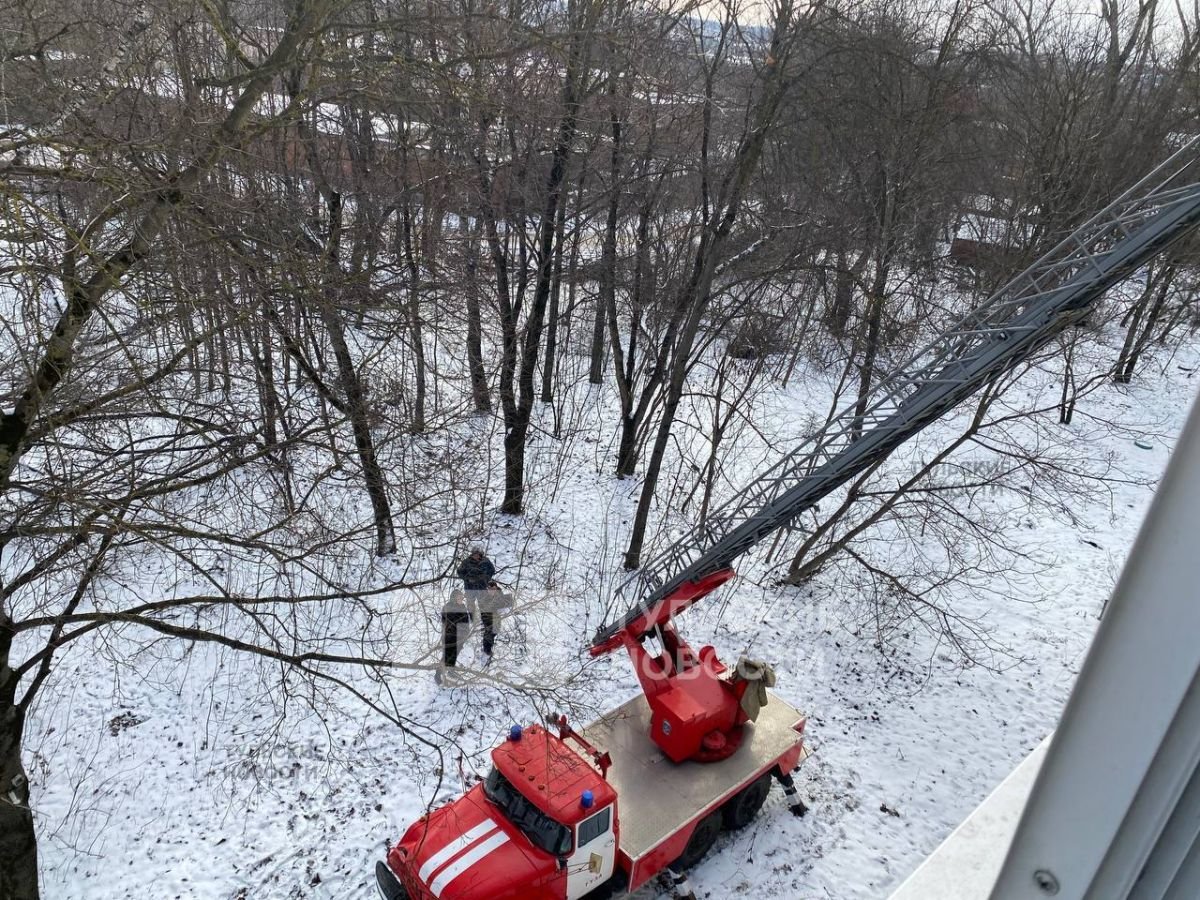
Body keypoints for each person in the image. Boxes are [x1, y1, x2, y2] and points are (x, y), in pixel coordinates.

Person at [437, 589, 471, 685]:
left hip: (461, 637)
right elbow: (447, 622)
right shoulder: (448, 607)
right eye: (459, 597)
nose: (461, 598)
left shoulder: (463, 607)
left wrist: (466, 634)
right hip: (449, 637)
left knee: (454, 655)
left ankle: (451, 671)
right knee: (446, 656)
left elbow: (466, 621)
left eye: (461, 597)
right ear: (454, 598)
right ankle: (437, 674)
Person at [476, 580, 513, 663]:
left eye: (494, 589)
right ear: (487, 589)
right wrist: (493, 604)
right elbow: (483, 607)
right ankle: (486, 651)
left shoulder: (499, 593)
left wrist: (503, 606)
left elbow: (505, 602)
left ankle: (488, 647)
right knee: (488, 631)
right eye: (490, 589)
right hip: (486, 615)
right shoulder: (483, 595)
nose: (492, 591)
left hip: (496, 615)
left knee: (495, 631)